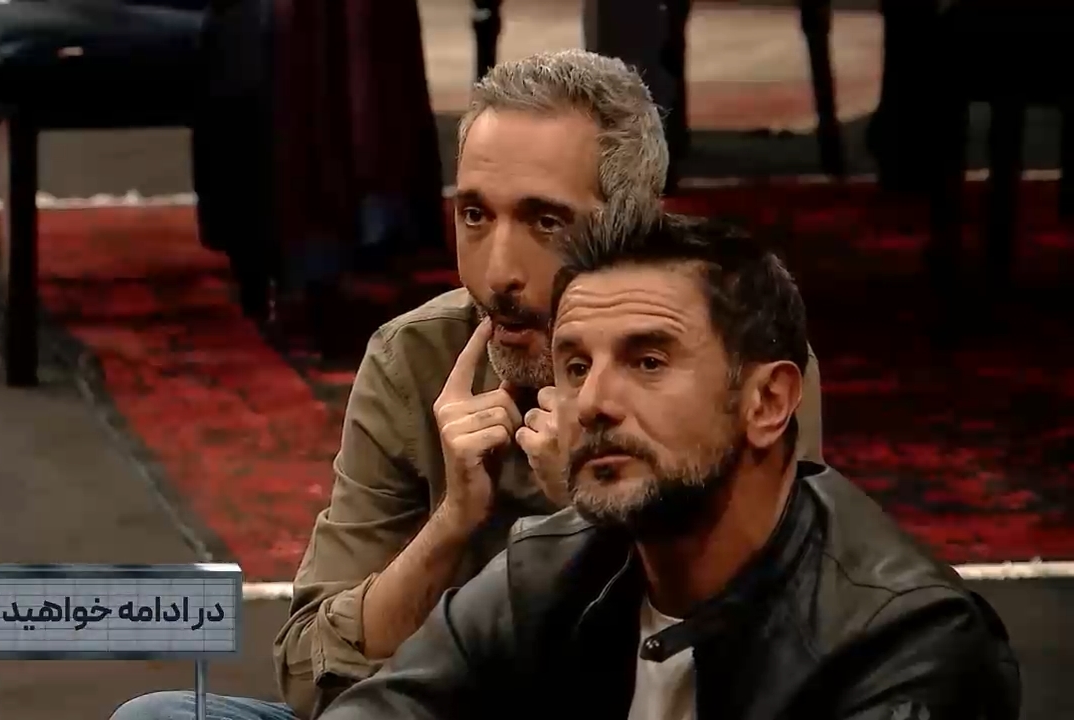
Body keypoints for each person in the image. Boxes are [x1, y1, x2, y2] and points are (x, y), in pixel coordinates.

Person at [109, 50, 826, 720]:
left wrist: (585, 511)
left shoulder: (735, 365)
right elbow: (312, 673)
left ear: (637, 226)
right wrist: (451, 521)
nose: (497, 273)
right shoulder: (415, 357)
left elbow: (771, 667)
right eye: (475, 215)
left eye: (546, 221)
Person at [317, 213, 1022, 720]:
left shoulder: (903, 642)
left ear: (768, 402)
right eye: (575, 366)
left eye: (648, 362)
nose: (593, 402)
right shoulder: (546, 571)